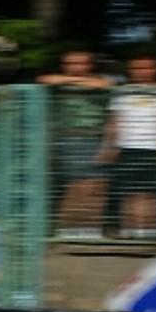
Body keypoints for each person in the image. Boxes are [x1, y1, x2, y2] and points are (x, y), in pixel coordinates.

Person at [98, 55, 156, 240]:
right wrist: (108, 147)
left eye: (146, 68)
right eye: (136, 68)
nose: (141, 72)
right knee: (120, 190)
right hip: (126, 147)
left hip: (155, 148)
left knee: (155, 192)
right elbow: (114, 121)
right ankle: (118, 231)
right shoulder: (123, 92)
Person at [39, 50, 115, 239]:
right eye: (70, 63)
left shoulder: (102, 80)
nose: (75, 67)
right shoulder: (59, 82)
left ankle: (94, 228)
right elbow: (44, 80)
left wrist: (73, 81)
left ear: (90, 65)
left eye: (80, 63)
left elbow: (105, 84)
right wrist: (76, 81)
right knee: (67, 185)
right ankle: (61, 229)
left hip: (93, 138)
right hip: (66, 139)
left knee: (95, 186)